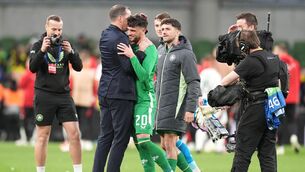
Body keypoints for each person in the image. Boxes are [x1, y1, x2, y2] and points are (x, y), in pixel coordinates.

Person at [117, 13, 172, 172]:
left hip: (145, 100)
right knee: (140, 146)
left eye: (133, 31)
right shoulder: (132, 45)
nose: (129, 33)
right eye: (128, 30)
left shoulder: (150, 49)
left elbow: (143, 76)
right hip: (132, 100)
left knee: (144, 141)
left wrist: (132, 56)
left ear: (143, 30)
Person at [29, 15, 83, 172]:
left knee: (74, 134)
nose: (57, 33)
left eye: (59, 29)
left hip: (64, 96)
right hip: (44, 95)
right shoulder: (37, 45)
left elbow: (79, 67)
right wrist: (42, 50)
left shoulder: (66, 45)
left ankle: (78, 170)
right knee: (42, 136)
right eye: (54, 29)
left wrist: (71, 52)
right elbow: (32, 68)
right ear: (46, 27)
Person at [220, 30, 279, 172]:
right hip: (273, 108)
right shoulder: (274, 58)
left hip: (255, 109)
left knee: (243, 152)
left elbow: (225, 81)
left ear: (243, 45)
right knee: (267, 155)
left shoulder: (251, 60)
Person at [154, 13, 201, 172]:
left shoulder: (186, 54)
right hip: (161, 107)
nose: (163, 31)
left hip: (176, 107)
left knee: (170, 143)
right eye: (161, 29)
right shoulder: (160, 50)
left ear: (178, 31)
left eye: (167, 29)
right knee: (164, 144)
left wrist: (190, 108)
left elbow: (194, 82)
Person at [92, 4, 134, 172]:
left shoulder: (105, 34)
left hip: (105, 91)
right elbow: (127, 67)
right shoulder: (121, 38)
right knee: (121, 138)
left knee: (105, 137)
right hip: (121, 93)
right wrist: (137, 57)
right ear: (121, 18)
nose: (130, 22)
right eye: (129, 18)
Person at [273, 43, 301, 154]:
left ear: (280, 50)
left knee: (279, 122)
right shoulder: (296, 63)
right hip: (293, 98)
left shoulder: (278, 63)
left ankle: (280, 147)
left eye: (275, 50)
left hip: (281, 96)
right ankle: (293, 137)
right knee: (292, 121)